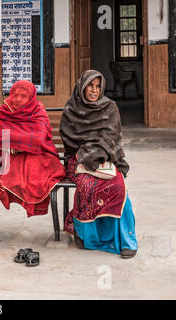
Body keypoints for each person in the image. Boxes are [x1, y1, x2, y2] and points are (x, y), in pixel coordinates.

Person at [59, 69, 138, 259]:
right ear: (82, 88)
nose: (94, 91)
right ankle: (88, 237)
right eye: (90, 87)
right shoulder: (71, 108)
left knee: (117, 186)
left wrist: (97, 153)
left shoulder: (109, 107)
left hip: (104, 158)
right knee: (87, 186)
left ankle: (127, 241)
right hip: (78, 160)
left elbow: (111, 137)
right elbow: (69, 140)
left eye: (97, 86)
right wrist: (86, 153)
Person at [0, 80, 65, 217]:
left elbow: (38, 138)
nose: (17, 99)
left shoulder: (38, 110)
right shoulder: (6, 110)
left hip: (38, 154)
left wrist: (15, 144)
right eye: (15, 95)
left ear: (31, 97)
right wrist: (13, 144)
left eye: (23, 96)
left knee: (35, 172)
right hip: (11, 156)